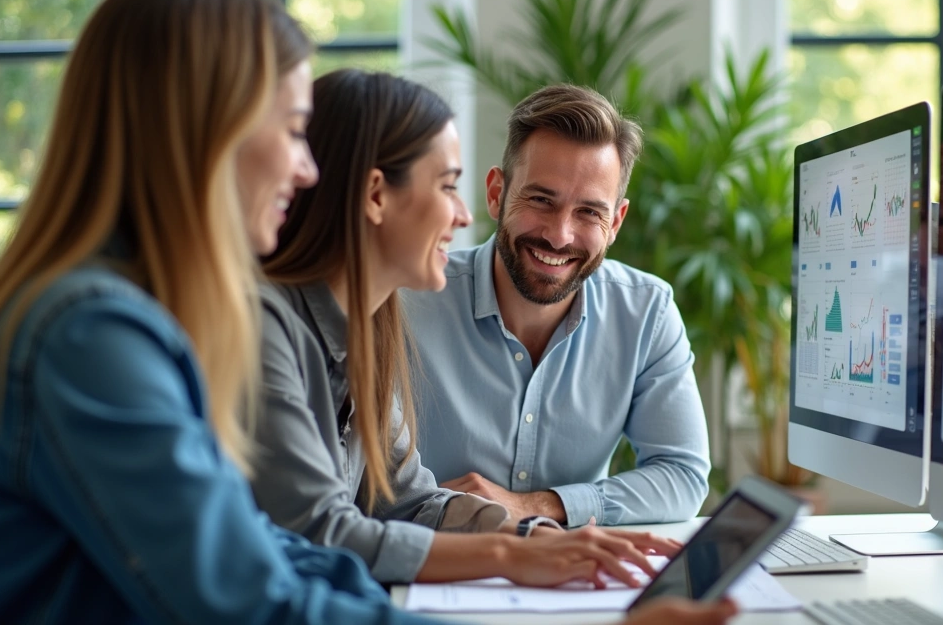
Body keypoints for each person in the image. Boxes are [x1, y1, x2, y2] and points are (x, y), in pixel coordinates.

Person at [0, 0, 733, 624]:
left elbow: (279, 545)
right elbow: (253, 593)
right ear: (203, 128)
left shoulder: (132, 318)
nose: (308, 167)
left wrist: (522, 546)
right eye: (290, 129)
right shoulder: (93, 335)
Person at [252, 68, 683, 587]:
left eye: (588, 211)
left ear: (615, 221)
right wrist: (507, 557)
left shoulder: (371, 325)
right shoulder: (267, 326)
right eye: (447, 186)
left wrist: (536, 535)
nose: (461, 216)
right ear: (375, 196)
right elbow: (318, 530)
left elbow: (407, 497)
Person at [404, 84, 711, 527]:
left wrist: (537, 506)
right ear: (496, 193)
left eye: (589, 212)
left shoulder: (647, 312)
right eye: (541, 200)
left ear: (616, 223)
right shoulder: (405, 302)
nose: (559, 235)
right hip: (434, 572)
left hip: (572, 578)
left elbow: (681, 478)